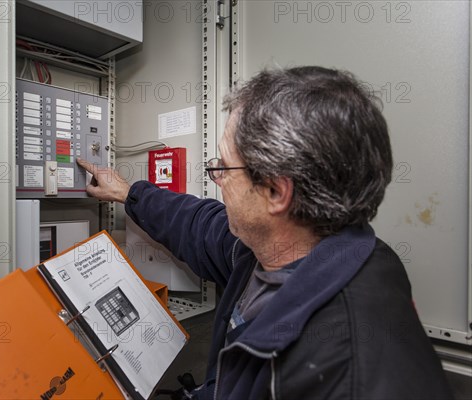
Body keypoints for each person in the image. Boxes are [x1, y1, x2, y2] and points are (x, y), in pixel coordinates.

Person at [77, 66, 453, 399]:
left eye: (223, 168)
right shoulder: (274, 249)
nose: (217, 180)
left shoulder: (349, 371)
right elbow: (198, 224)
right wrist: (128, 193)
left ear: (275, 191)